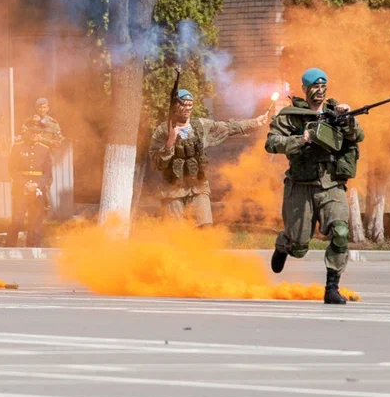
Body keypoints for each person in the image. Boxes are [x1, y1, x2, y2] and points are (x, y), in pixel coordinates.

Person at [265, 68, 362, 305]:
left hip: (331, 185)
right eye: (314, 88)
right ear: (305, 90)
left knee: (340, 232)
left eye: (323, 88)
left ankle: (331, 289)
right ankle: (284, 244)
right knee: (299, 247)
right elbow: (272, 143)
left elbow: (357, 135)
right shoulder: (291, 116)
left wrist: (347, 118)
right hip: (300, 186)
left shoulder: (335, 113)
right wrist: (302, 139)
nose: (319, 92)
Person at [148, 88, 268, 227]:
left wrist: (254, 123)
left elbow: (227, 127)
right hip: (173, 192)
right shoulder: (163, 130)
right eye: (183, 104)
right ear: (175, 105)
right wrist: (170, 142)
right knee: (176, 234)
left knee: (204, 229)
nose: (187, 108)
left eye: (189, 104)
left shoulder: (200, 125)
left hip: (198, 188)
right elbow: (157, 162)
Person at [6, 133, 53, 246]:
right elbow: (12, 169)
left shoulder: (45, 149)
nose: (35, 135)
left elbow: (47, 172)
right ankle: (9, 248)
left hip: (37, 190)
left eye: (37, 133)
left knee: (35, 222)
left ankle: (33, 249)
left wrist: (37, 184)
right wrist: (24, 183)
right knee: (17, 220)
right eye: (32, 132)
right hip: (20, 189)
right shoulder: (17, 147)